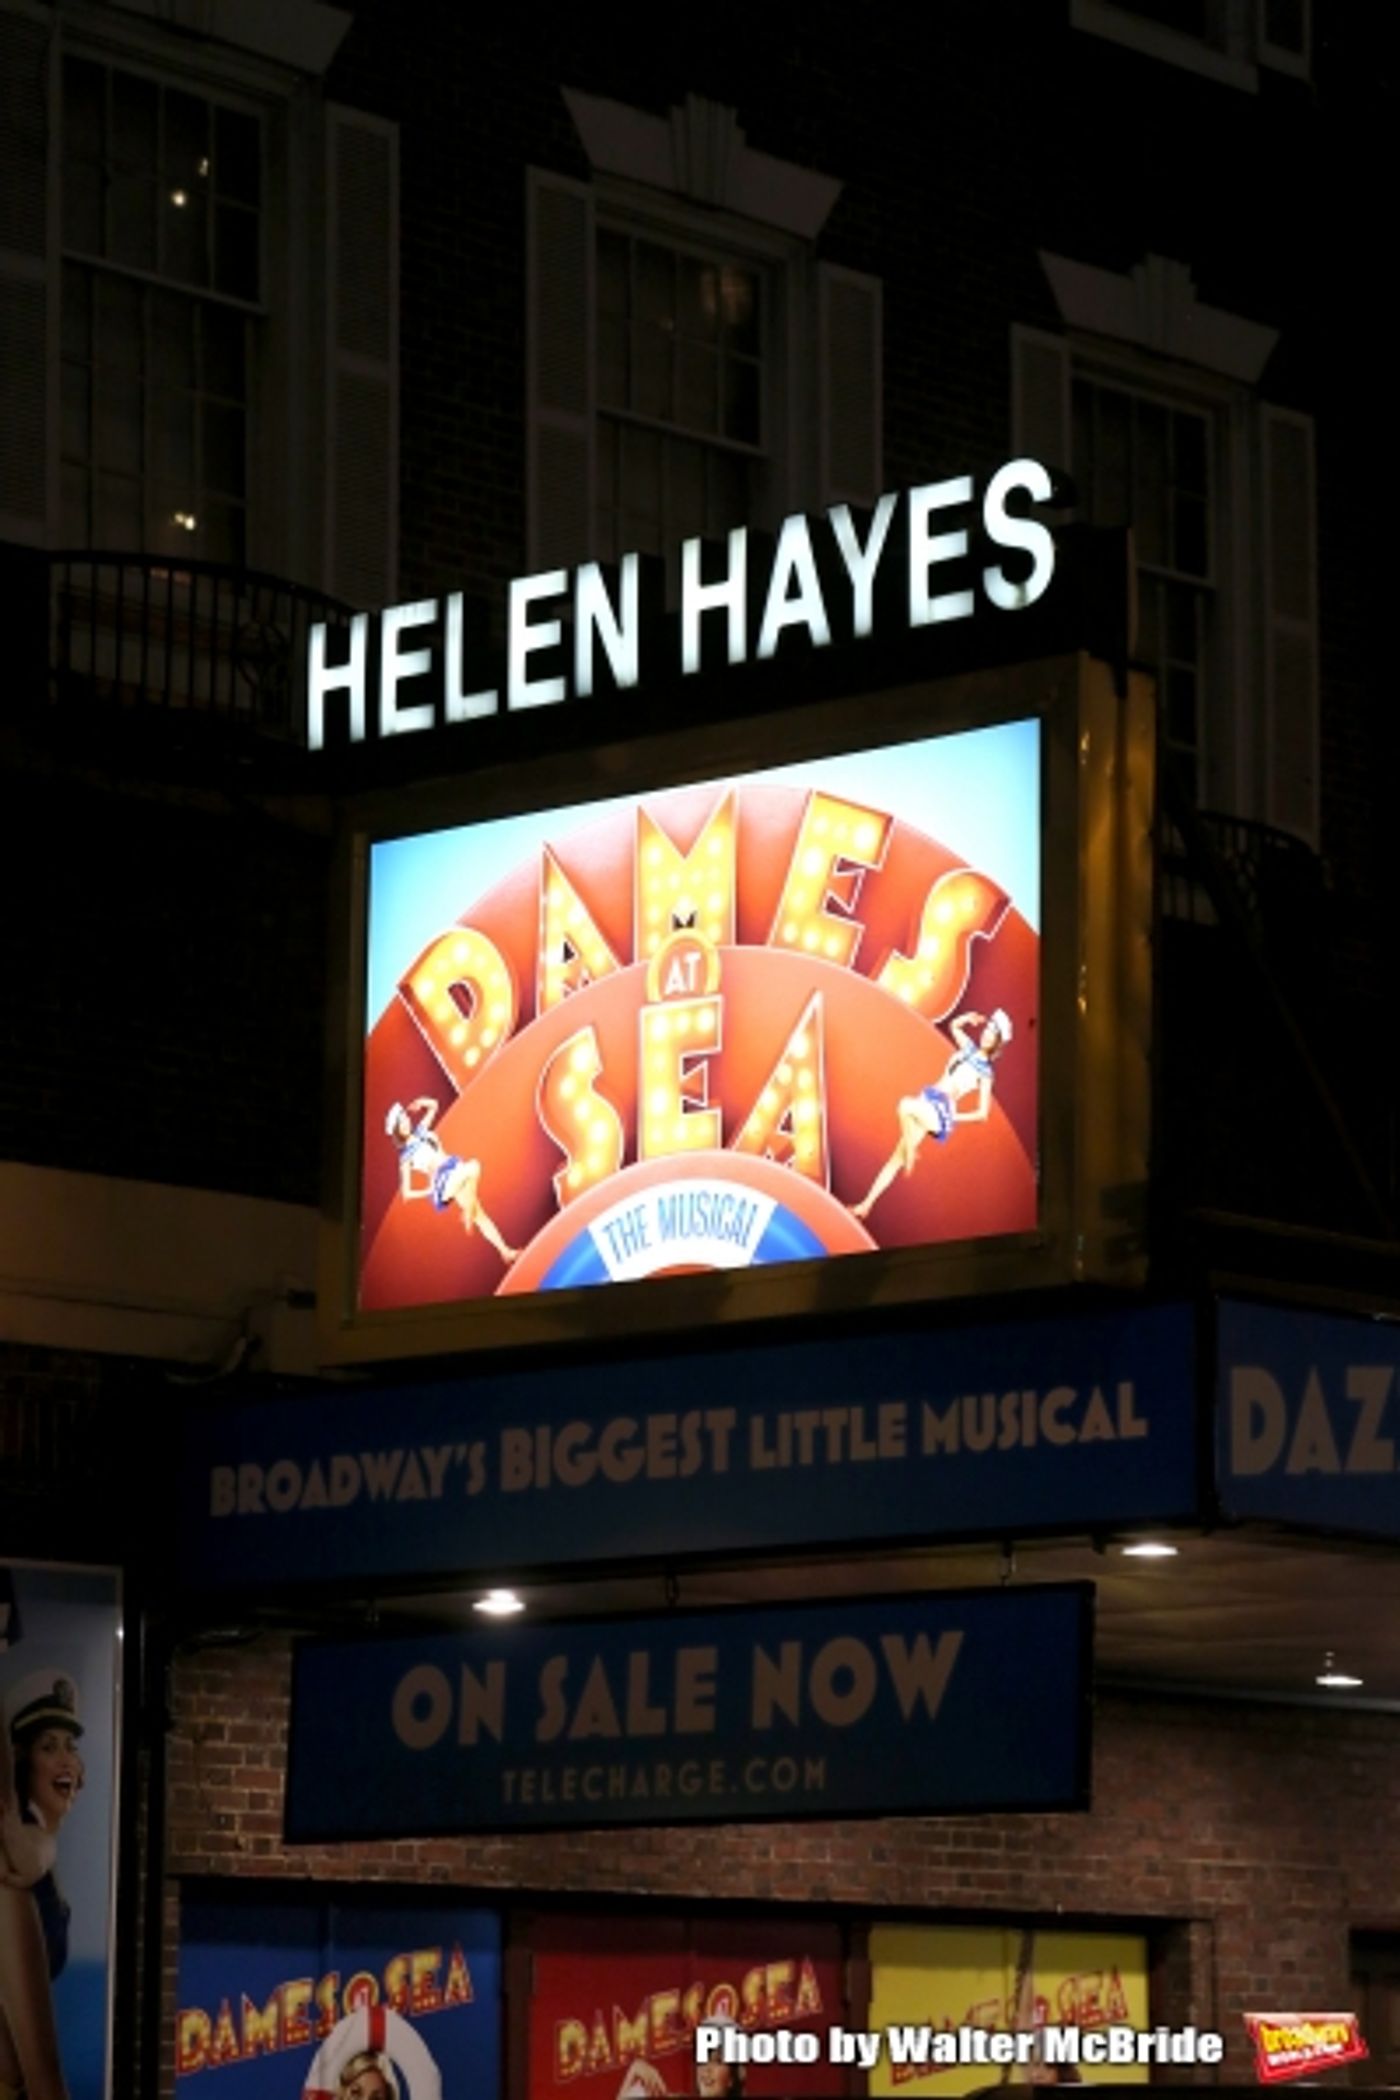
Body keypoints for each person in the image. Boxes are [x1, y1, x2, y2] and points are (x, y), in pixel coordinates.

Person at [0, 1669, 86, 2100]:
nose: (66, 1759)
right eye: (48, 1747)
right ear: (18, 1759)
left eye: (71, 1746)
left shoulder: (42, 1854)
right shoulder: (19, 1868)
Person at [851, 1007, 1014, 1222]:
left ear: (996, 1043)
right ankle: (866, 1205)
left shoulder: (986, 1073)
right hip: (928, 1099)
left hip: (941, 1113)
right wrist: (968, 1018)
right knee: (894, 1161)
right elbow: (953, 1025)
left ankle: (911, 1153)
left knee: (904, 1105)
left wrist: (954, 1117)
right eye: (987, 1029)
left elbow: (982, 1113)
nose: (986, 1034)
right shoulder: (968, 1048)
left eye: (992, 1034)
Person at [385, 1097, 519, 1263]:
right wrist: (430, 1191)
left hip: (453, 1168)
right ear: (397, 1131)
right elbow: (406, 1194)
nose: (405, 1123)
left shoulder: (421, 1131)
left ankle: (505, 1251)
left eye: (404, 1118)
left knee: (480, 1216)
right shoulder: (405, 1157)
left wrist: (420, 1102)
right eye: (401, 1124)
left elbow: (434, 1105)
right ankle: (468, 1212)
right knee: (474, 1166)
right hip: (442, 1183)